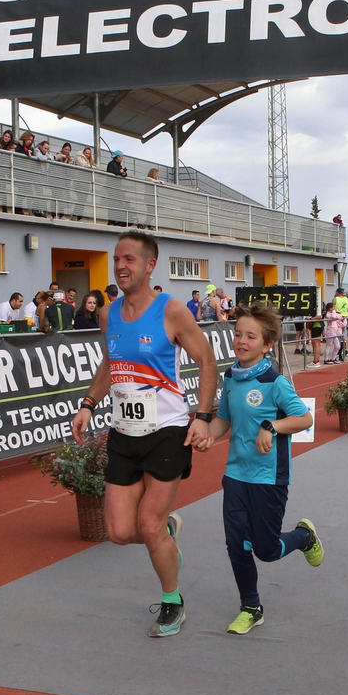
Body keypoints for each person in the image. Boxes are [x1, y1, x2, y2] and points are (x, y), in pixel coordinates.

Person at [70, 232, 218, 638]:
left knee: (147, 524)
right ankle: (167, 531)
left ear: (150, 265)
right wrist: (88, 404)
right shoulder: (108, 314)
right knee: (119, 532)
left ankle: (172, 602)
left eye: (129, 259)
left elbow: (206, 361)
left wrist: (202, 416)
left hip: (167, 430)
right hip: (123, 431)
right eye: (117, 258)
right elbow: (110, 363)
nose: (121, 266)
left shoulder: (171, 311)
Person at [201, 303, 320, 634]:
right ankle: (250, 607)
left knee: (266, 551)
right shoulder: (231, 377)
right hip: (236, 476)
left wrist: (271, 426)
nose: (241, 341)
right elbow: (222, 420)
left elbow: (305, 418)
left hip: (270, 478)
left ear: (267, 344)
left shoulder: (274, 381)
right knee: (236, 544)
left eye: (250, 336)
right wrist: (202, 435)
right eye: (238, 333)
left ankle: (303, 536)